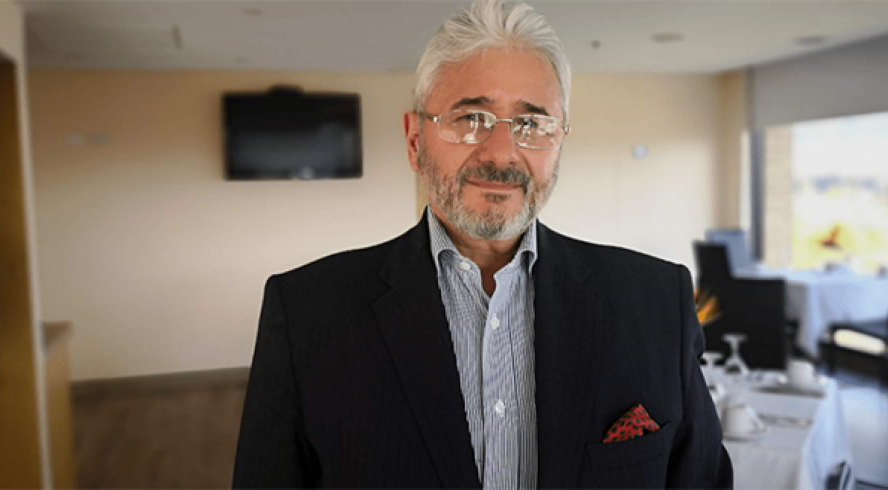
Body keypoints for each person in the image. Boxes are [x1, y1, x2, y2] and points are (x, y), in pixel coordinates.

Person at [232, 0, 733, 488]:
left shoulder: (656, 303)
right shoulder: (306, 313)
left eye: (531, 123)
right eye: (470, 118)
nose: (501, 153)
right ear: (415, 141)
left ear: (558, 142)